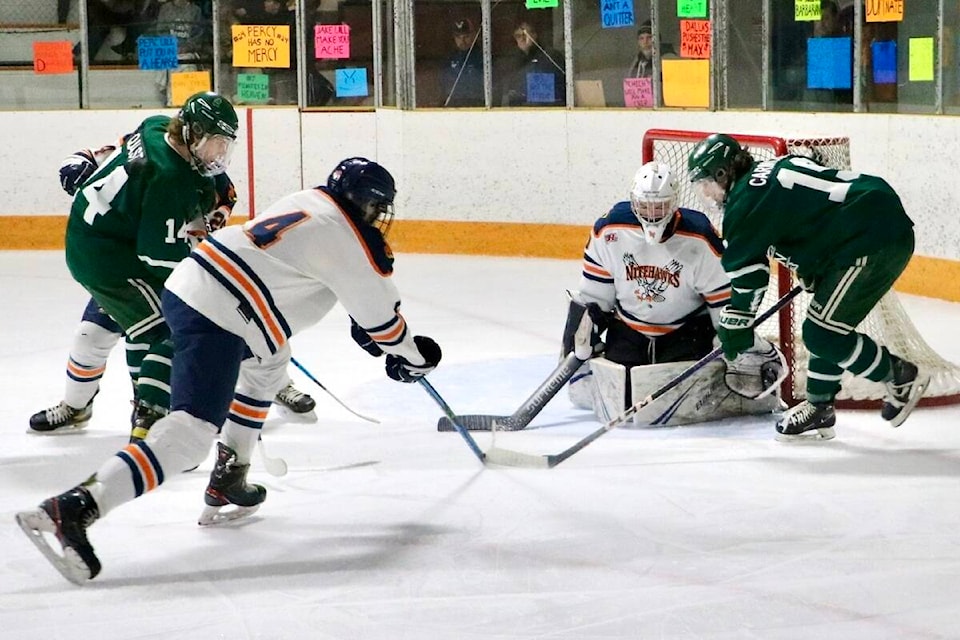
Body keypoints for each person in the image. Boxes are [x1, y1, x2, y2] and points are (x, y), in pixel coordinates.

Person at [16, 157, 443, 585]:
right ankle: (74, 507)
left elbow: (323, 279)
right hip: (221, 315)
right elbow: (385, 328)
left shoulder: (310, 201)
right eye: (376, 207)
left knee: (271, 359)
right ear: (367, 204)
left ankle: (231, 473)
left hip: (192, 284)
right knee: (188, 437)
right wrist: (415, 357)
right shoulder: (351, 238)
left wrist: (373, 328)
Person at [28, 142, 316, 435]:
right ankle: (78, 407)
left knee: (231, 330)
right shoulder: (156, 160)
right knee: (91, 337)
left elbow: (201, 238)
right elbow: (105, 155)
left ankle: (278, 384)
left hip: (179, 278)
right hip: (129, 272)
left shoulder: (213, 187)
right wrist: (78, 162)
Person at [686, 133, 930, 441]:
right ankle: (819, 408)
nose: (705, 193)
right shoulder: (770, 168)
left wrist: (735, 329)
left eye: (706, 183)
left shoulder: (745, 204)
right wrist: (816, 258)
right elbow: (807, 206)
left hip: (870, 236)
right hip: (872, 220)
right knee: (823, 322)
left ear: (723, 173)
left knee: (822, 333)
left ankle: (899, 375)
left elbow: (749, 281)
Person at [58, 91, 237, 445]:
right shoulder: (170, 180)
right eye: (215, 143)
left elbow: (127, 148)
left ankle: (147, 409)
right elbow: (157, 257)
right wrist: (202, 279)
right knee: (170, 331)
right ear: (194, 132)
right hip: (108, 256)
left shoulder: (158, 127)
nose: (219, 154)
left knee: (146, 330)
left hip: (110, 239)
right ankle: (150, 421)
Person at [561, 161, 783, 427]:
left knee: (680, 395)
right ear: (633, 201)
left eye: (660, 205)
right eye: (645, 205)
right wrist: (586, 331)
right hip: (630, 328)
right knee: (622, 391)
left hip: (684, 331)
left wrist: (727, 339)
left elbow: (722, 301)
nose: (652, 213)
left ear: (675, 202)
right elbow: (596, 296)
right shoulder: (610, 231)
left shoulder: (699, 237)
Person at [501, 21, 565, 107]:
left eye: (525, 35)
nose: (522, 39)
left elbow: (549, 91)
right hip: (518, 110)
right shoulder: (512, 59)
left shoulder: (550, 56)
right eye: (518, 36)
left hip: (546, 109)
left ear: (534, 35)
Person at [440, 18, 484, 107]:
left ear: (474, 35)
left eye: (466, 37)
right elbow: (443, 85)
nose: (462, 41)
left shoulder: (483, 57)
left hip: (477, 104)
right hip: (454, 104)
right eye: (458, 37)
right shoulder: (449, 59)